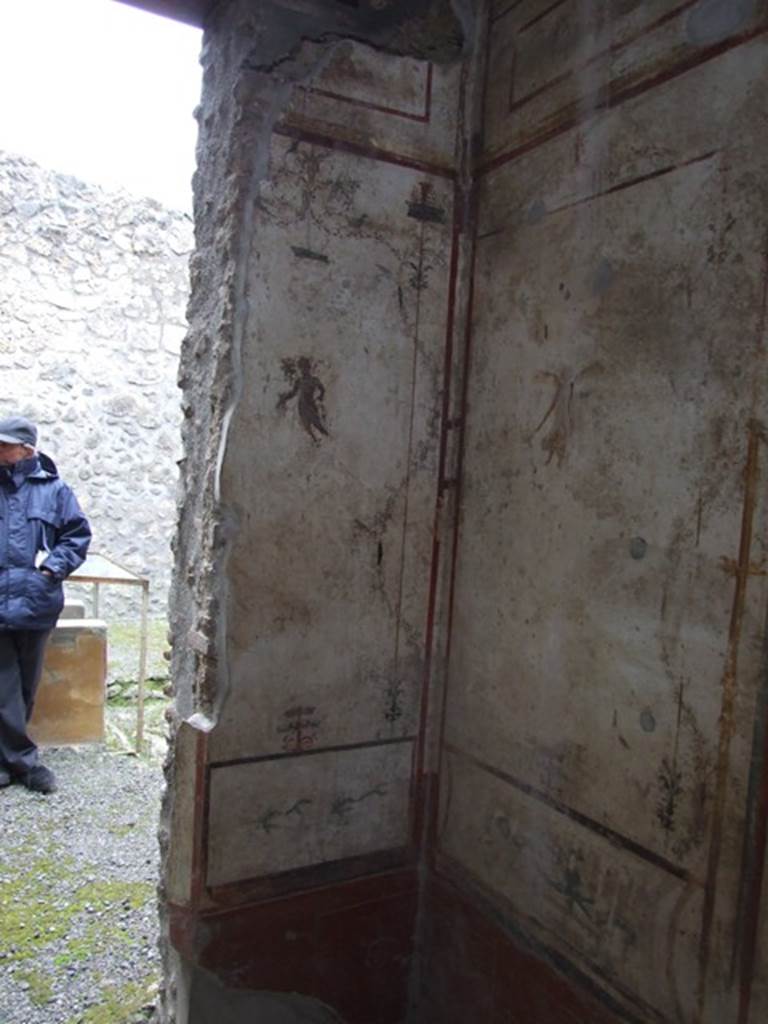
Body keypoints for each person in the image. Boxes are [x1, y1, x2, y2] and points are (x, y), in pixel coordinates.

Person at [0, 415, 91, 793]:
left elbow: (77, 536)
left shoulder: (55, 490)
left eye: (5, 444)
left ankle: (9, 762)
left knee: (27, 686)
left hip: (37, 602)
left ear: (26, 449)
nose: (0, 449)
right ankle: (24, 764)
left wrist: (51, 571)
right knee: (3, 686)